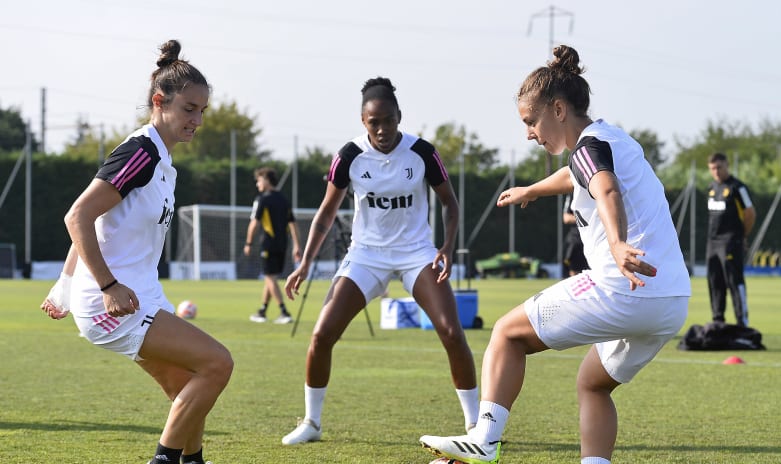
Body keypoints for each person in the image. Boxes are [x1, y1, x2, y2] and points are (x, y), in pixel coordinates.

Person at [420, 45, 691, 464]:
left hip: (622, 288)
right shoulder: (612, 138)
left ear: (559, 110)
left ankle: (485, 439)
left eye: (531, 121)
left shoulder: (588, 149)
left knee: (507, 334)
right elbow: (579, 175)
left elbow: (603, 185)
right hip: (670, 300)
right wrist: (533, 189)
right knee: (593, 383)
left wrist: (617, 243)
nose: (529, 132)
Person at [40, 40, 233, 464]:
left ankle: (192, 460)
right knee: (218, 364)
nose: (197, 120)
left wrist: (63, 286)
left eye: (202, 111)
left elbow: (100, 224)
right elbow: (78, 216)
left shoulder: (163, 160)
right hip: (114, 302)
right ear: (159, 102)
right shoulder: (141, 152)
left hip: (140, 294)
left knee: (188, 387)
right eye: (188, 109)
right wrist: (102, 285)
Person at [280, 76, 479, 445]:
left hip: (416, 253)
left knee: (452, 332)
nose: (383, 128)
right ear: (363, 121)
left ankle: (475, 426)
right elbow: (326, 213)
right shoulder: (349, 157)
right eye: (375, 122)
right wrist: (306, 262)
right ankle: (312, 423)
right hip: (365, 255)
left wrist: (447, 248)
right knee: (322, 335)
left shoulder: (422, 152)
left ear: (399, 116)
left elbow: (451, 204)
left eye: (389, 120)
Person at [244, 167, 302, 324]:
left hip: (268, 245)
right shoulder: (284, 199)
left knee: (269, 277)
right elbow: (293, 224)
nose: (257, 184)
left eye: (259, 180)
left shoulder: (262, 199)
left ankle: (284, 312)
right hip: (283, 245)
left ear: (267, 180)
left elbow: (254, 223)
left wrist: (248, 243)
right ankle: (262, 311)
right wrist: (297, 246)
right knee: (271, 278)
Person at [706, 152, 756, 327]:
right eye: (713, 168)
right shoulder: (712, 188)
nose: (716, 171)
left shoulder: (738, 188)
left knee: (734, 280)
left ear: (727, 165)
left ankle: (742, 321)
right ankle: (718, 319)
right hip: (713, 242)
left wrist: (742, 235)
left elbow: (750, 213)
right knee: (714, 280)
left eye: (719, 167)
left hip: (731, 241)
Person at [562, 193, 589, 276]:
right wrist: (587, 221)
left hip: (595, 238)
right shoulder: (573, 194)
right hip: (577, 239)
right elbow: (566, 218)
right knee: (575, 269)